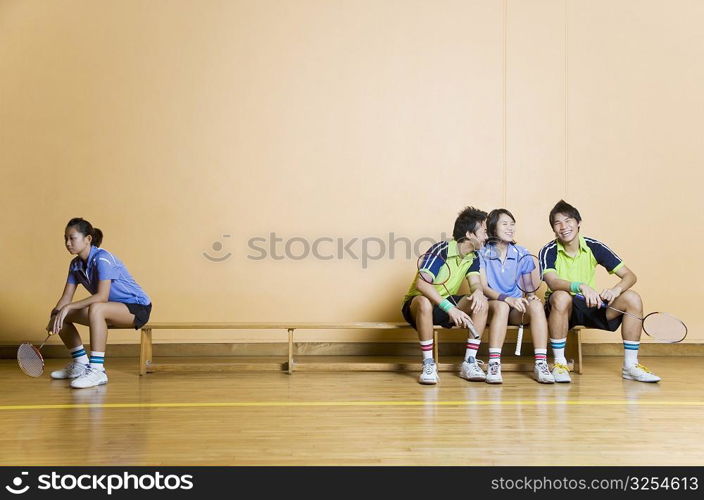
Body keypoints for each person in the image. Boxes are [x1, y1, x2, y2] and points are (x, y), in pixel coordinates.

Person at [538, 200, 660, 383]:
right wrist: (581, 286)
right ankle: (560, 364)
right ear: (554, 230)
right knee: (561, 296)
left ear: (578, 223)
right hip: (561, 310)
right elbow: (553, 282)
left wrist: (615, 291)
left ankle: (630, 365)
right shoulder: (548, 251)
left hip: (590, 305)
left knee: (632, 298)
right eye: (558, 223)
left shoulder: (594, 246)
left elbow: (629, 276)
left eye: (568, 220)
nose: (564, 227)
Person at [47, 218, 152, 389]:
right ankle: (81, 363)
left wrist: (69, 307)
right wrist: (55, 316)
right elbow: (66, 298)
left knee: (96, 307)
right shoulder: (75, 265)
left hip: (136, 308)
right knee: (60, 314)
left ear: (88, 239)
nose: (67, 243)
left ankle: (97, 370)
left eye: (72, 238)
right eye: (65, 238)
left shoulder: (102, 259)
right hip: (108, 309)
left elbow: (102, 296)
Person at [401, 206, 489, 384]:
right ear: (469, 234)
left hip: (443, 307)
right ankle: (428, 363)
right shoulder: (441, 249)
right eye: (484, 232)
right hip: (418, 306)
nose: (487, 237)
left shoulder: (474, 256)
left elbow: (474, 282)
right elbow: (422, 283)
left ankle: (469, 362)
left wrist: (479, 292)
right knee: (425, 303)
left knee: (481, 302)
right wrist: (450, 308)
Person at [479, 209, 555, 384]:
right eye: (504, 224)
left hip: (515, 308)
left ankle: (541, 363)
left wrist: (531, 297)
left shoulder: (521, 252)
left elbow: (527, 287)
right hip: (493, 305)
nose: (510, 228)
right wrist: (506, 298)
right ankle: (494, 363)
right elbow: (483, 288)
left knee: (536, 306)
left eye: (512, 224)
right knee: (502, 306)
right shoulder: (482, 252)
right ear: (492, 228)